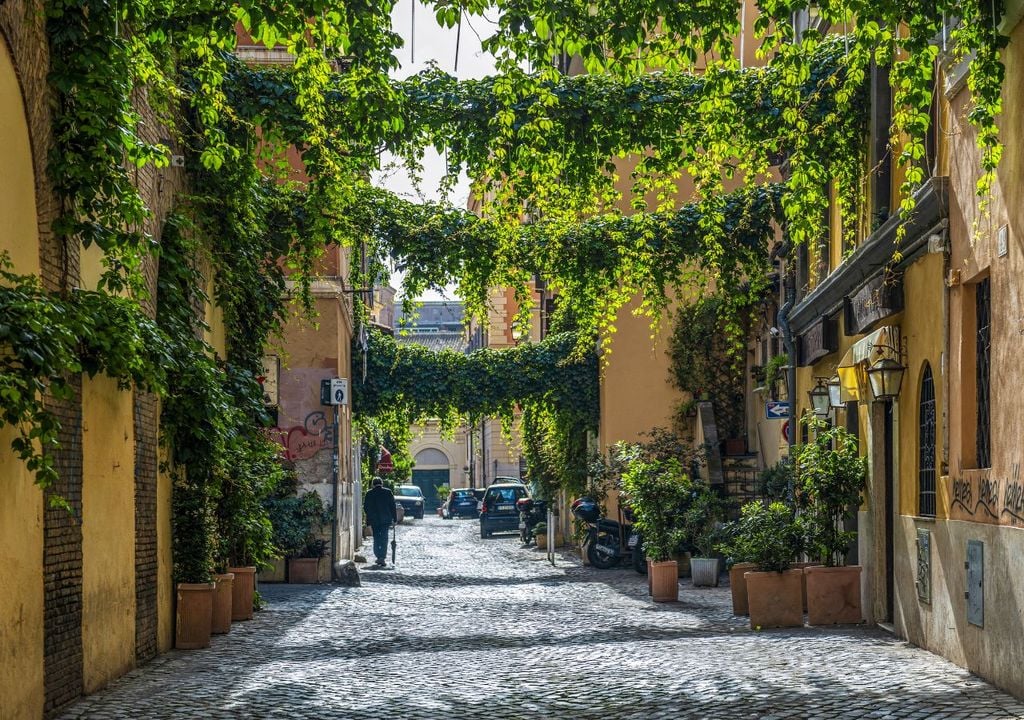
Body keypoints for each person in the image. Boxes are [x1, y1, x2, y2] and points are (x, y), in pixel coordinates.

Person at [364, 477, 397, 567]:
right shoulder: (388, 492)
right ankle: (382, 556)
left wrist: (369, 519)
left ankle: (378, 556)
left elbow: (366, 508)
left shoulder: (369, 493)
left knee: (376, 538)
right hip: (385, 520)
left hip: (374, 520)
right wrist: (395, 519)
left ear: (373, 484)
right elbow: (392, 506)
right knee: (384, 538)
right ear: (382, 484)